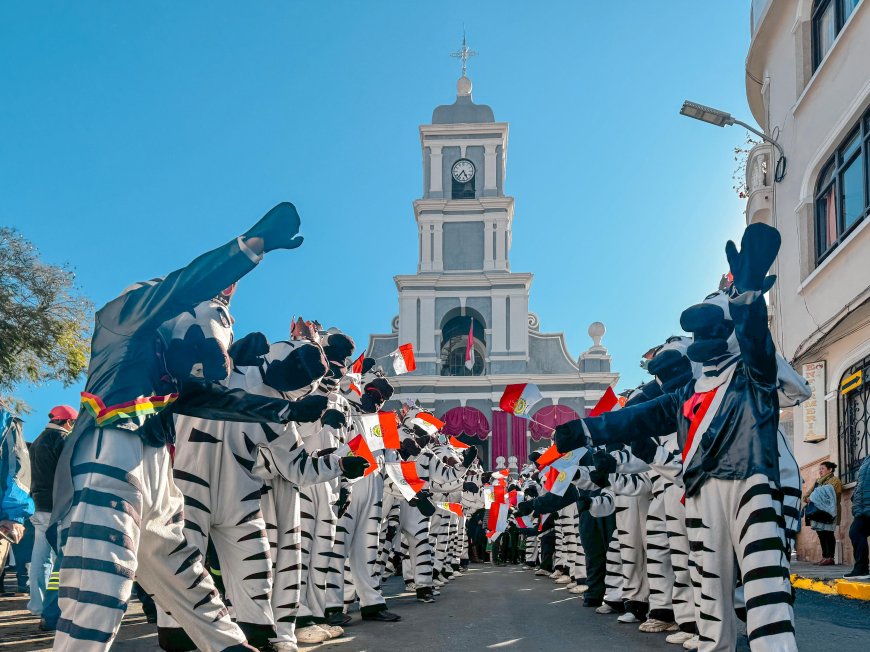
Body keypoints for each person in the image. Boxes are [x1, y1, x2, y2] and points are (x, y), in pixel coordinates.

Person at [27, 405, 77, 615]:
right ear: (68, 422)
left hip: (39, 504)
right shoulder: (62, 440)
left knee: (40, 558)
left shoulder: (37, 441)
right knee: (61, 559)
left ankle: (37, 605)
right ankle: (55, 608)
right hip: (57, 507)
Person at [803, 461, 842, 565]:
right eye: (819, 469)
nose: (820, 471)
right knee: (820, 533)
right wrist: (807, 498)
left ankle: (830, 558)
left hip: (829, 511)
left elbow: (834, 495)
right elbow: (807, 495)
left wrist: (816, 497)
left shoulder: (835, 481)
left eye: (822, 469)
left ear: (830, 470)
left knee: (828, 533)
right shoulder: (818, 482)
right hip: (818, 511)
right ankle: (825, 557)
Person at [845, 455, 870, 579]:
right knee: (855, 532)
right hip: (862, 508)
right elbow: (860, 482)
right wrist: (855, 496)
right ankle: (861, 569)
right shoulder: (866, 460)